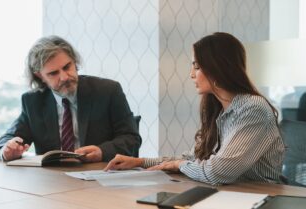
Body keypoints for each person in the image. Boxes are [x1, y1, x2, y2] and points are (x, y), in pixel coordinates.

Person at [105, 32, 285, 185]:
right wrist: (140, 162)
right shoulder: (219, 110)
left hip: (259, 198)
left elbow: (218, 172)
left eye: (197, 66)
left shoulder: (253, 109)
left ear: (218, 68)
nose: (191, 74)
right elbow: (192, 159)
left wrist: (179, 165)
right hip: (226, 194)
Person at [0, 35, 141, 162]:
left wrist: (102, 151)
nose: (64, 77)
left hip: (100, 176)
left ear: (74, 61)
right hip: (54, 183)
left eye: (67, 67)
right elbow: (9, 138)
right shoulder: (33, 102)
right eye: (53, 73)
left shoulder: (108, 91)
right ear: (40, 76)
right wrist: (7, 150)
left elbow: (131, 138)